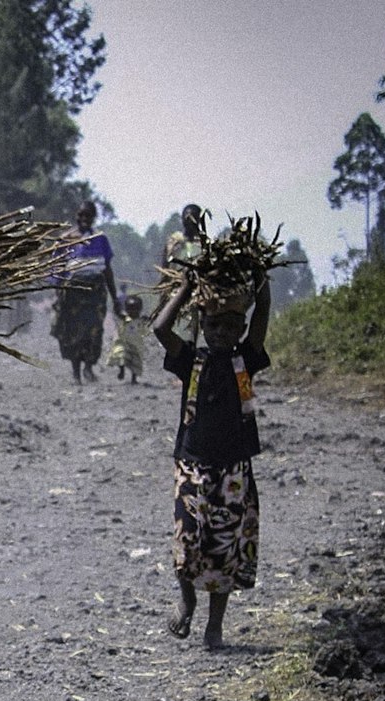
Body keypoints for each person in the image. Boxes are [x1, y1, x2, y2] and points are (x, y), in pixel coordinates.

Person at [150, 268, 271, 649]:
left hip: (234, 467)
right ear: (202, 325)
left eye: (230, 327)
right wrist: (185, 289)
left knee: (227, 547)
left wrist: (261, 285)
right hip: (193, 463)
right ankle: (187, 600)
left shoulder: (246, 361)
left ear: (241, 329)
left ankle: (214, 625)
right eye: (214, 326)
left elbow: (262, 316)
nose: (221, 334)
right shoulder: (191, 359)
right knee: (188, 539)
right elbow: (160, 329)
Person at [49, 199, 123, 384]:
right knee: (73, 332)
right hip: (73, 292)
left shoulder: (100, 240)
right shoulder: (66, 239)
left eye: (88, 215)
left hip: (95, 293)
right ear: (76, 215)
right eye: (81, 214)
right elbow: (58, 269)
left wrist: (115, 298)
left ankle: (89, 367)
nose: (84, 218)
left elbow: (107, 269)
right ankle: (76, 373)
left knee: (94, 331)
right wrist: (58, 294)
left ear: (94, 217)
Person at [163, 203, 204, 343]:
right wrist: (164, 296)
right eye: (186, 218)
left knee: (194, 325)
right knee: (175, 323)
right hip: (176, 289)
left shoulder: (203, 243)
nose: (189, 221)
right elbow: (166, 269)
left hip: (198, 291)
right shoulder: (174, 241)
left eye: (193, 218)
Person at [106, 293, 146, 384]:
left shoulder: (141, 320)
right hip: (123, 343)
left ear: (140, 309)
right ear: (126, 309)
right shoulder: (124, 318)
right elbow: (117, 312)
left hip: (136, 345)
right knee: (122, 356)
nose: (133, 312)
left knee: (135, 363)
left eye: (135, 309)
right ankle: (122, 370)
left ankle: (134, 379)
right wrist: (116, 303)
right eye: (130, 309)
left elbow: (152, 320)